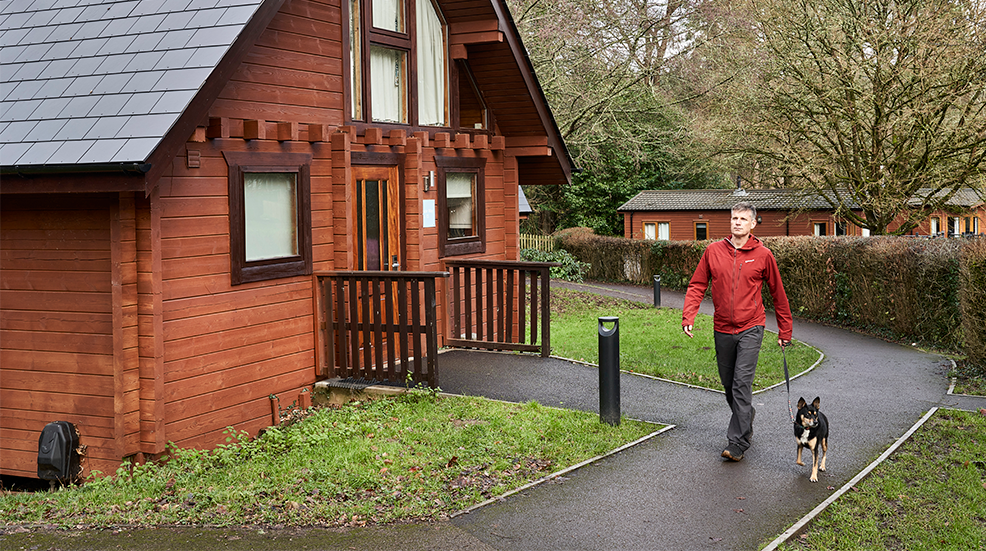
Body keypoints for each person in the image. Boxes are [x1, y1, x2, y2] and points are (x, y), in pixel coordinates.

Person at [682, 202, 793, 462]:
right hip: (722, 327)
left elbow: (778, 294)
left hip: (751, 327)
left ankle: (738, 443)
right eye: (734, 218)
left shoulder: (764, 255)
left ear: (753, 224)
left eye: (743, 219)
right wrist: (689, 314)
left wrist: (785, 329)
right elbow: (697, 285)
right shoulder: (713, 251)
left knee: (742, 384)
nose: (737, 222)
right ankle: (746, 415)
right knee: (729, 386)